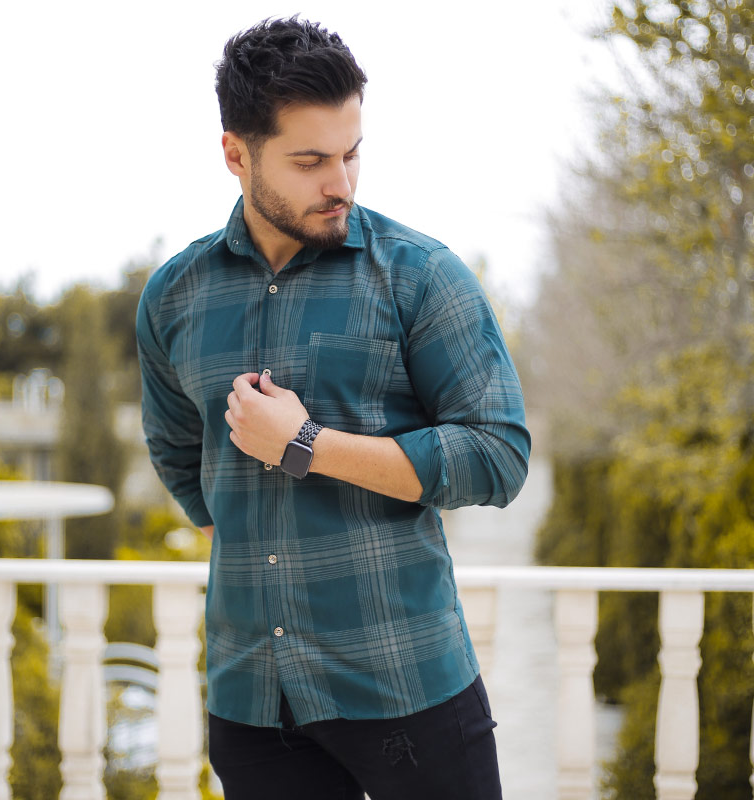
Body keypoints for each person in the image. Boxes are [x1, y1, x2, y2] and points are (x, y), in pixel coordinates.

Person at [136, 16, 530, 800]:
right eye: (310, 161)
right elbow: (179, 454)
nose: (341, 183)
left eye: (351, 153)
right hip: (254, 702)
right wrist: (260, 544)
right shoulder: (174, 296)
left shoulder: (421, 276)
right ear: (236, 154)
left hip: (407, 684)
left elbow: (499, 455)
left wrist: (307, 444)